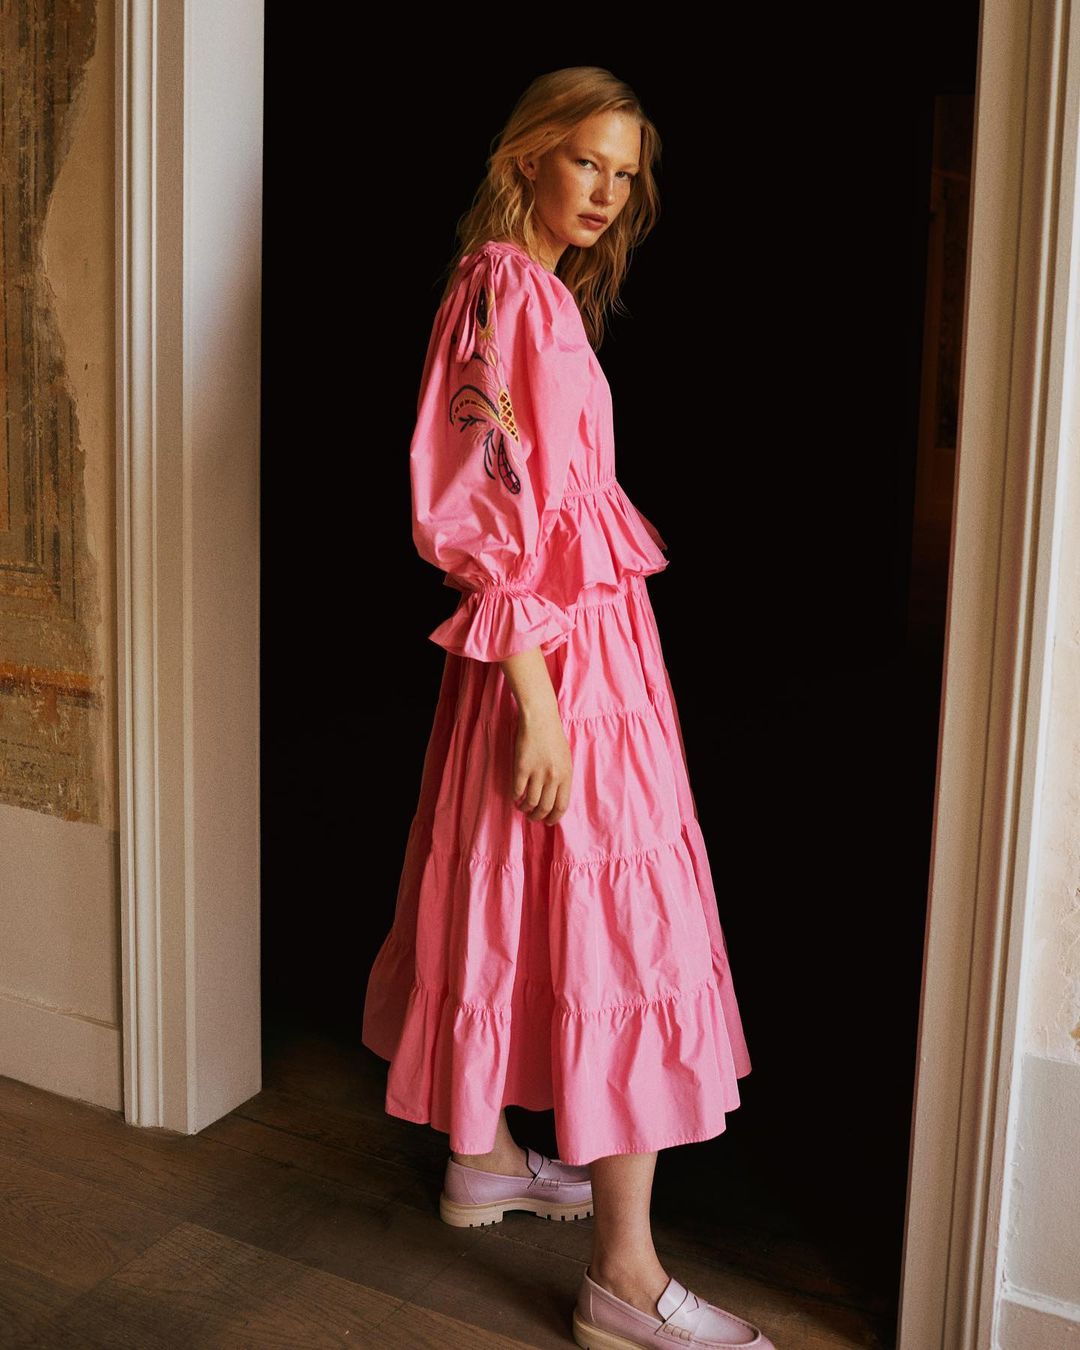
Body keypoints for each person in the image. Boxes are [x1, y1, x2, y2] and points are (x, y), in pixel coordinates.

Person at [362, 66, 773, 1350]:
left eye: (625, 173)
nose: (606, 191)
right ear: (528, 155)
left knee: (524, 893)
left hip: (578, 646)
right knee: (618, 928)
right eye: (588, 159)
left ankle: (485, 1156)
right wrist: (537, 699)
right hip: (554, 661)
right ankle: (624, 1282)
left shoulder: (534, 292)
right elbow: (478, 507)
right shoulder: (503, 286)